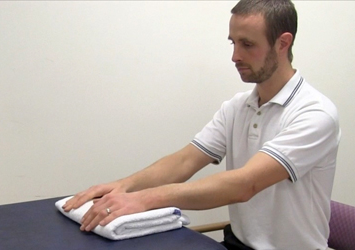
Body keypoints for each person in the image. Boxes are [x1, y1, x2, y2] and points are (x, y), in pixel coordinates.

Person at [63, 0, 340, 249]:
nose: (235, 56)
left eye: (248, 44)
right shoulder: (237, 106)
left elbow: (246, 184)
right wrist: (122, 187)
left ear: (283, 43)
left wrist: (144, 199)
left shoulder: (315, 113)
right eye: (233, 43)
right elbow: (184, 162)